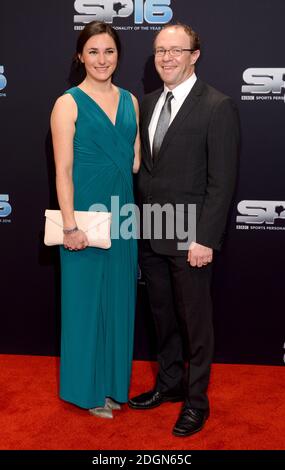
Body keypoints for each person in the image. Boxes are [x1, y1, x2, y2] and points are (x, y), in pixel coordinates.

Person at [129, 23, 240, 436]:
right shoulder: (146, 104)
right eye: (160, 50)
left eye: (177, 50)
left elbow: (222, 181)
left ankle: (196, 401)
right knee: (163, 317)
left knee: (195, 323)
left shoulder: (217, 105)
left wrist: (205, 238)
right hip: (152, 230)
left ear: (195, 55)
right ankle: (170, 384)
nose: (167, 57)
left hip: (191, 236)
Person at [50, 21, 140, 418]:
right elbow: (63, 171)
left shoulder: (131, 101)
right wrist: (70, 226)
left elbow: (135, 159)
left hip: (122, 216)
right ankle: (86, 392)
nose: (102, 60)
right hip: (84, 217)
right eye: (93, 52)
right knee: (85, 306)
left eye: (109, 51)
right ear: (80, 56)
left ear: (118, 55)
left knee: (119, 302)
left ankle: (112, 387)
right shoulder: (67, 103)